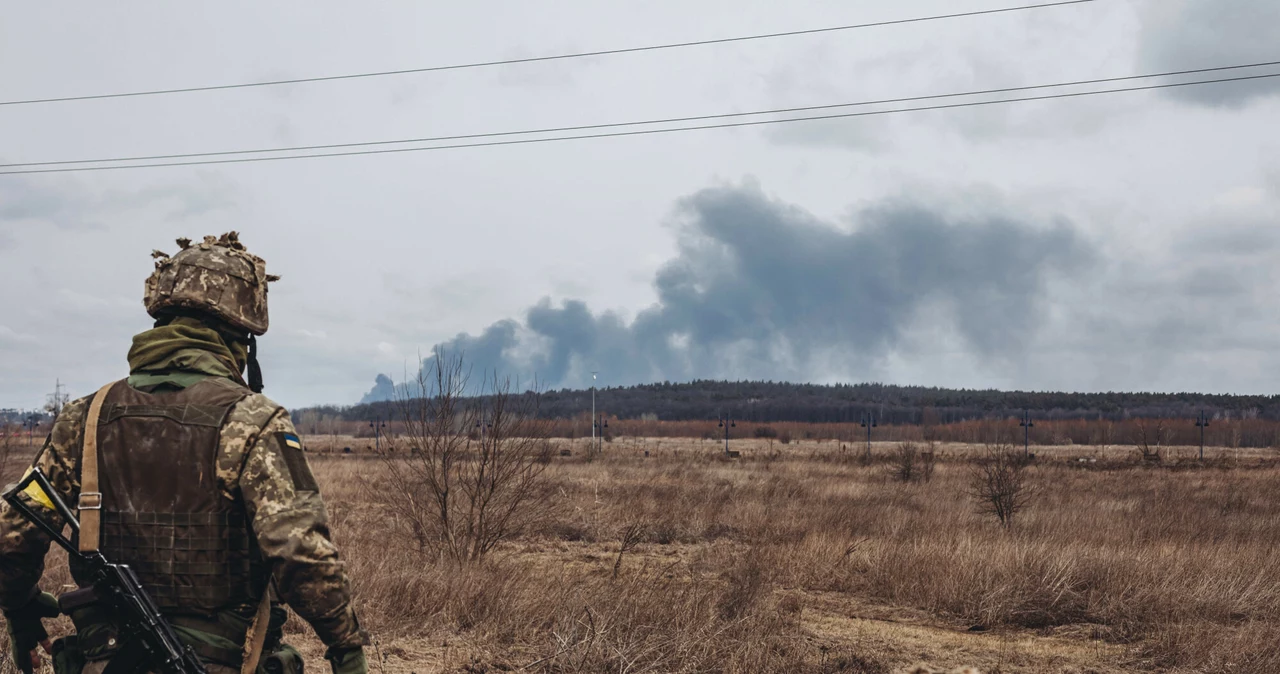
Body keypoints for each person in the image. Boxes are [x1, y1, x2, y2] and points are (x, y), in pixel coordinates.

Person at [0, 233, 367, 674]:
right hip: (223, 662)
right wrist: (347, 649)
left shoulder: (84, 419)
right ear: (241, 341)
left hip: (104, 662)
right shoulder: (251, 420)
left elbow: (15, 532)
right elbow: (300, 553)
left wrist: (19, 608)